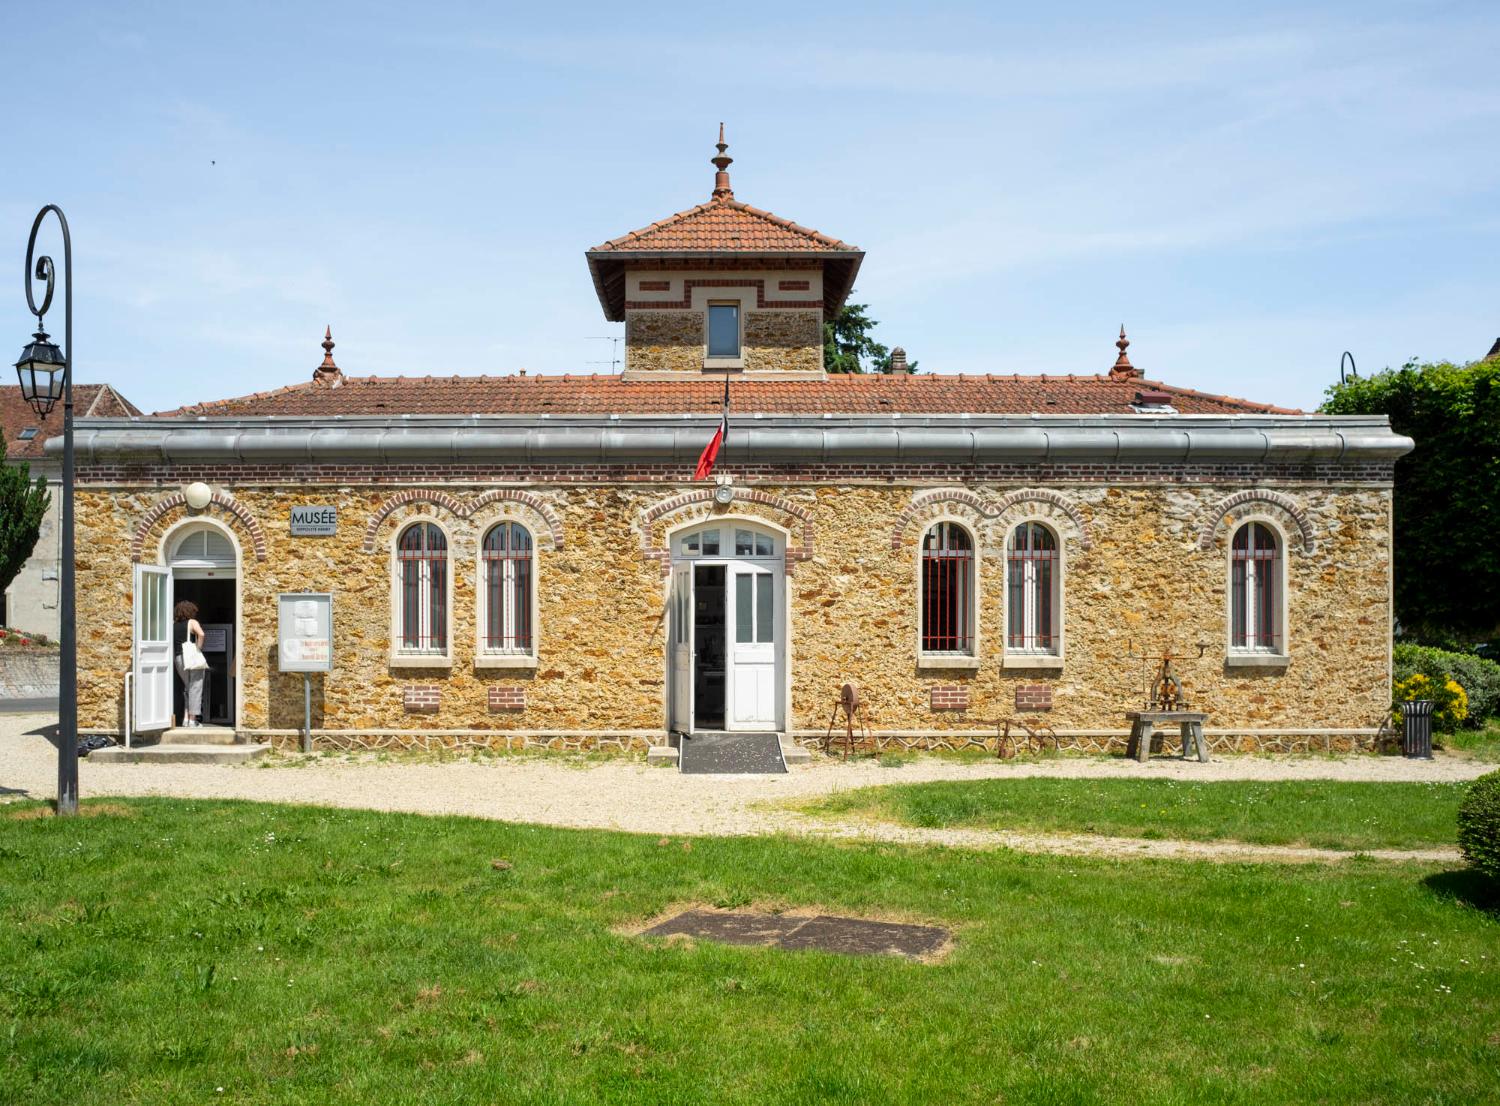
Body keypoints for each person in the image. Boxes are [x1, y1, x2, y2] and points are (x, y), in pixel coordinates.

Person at [173, 600, 208, 728]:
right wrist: (198, 649)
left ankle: (186, 719)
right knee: (196, 687)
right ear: (191, 611)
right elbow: (201, 634)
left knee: (188, 688)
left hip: (178, 658)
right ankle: (193, 720)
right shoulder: (192, 622)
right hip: (191, 657)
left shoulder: (173, 625)